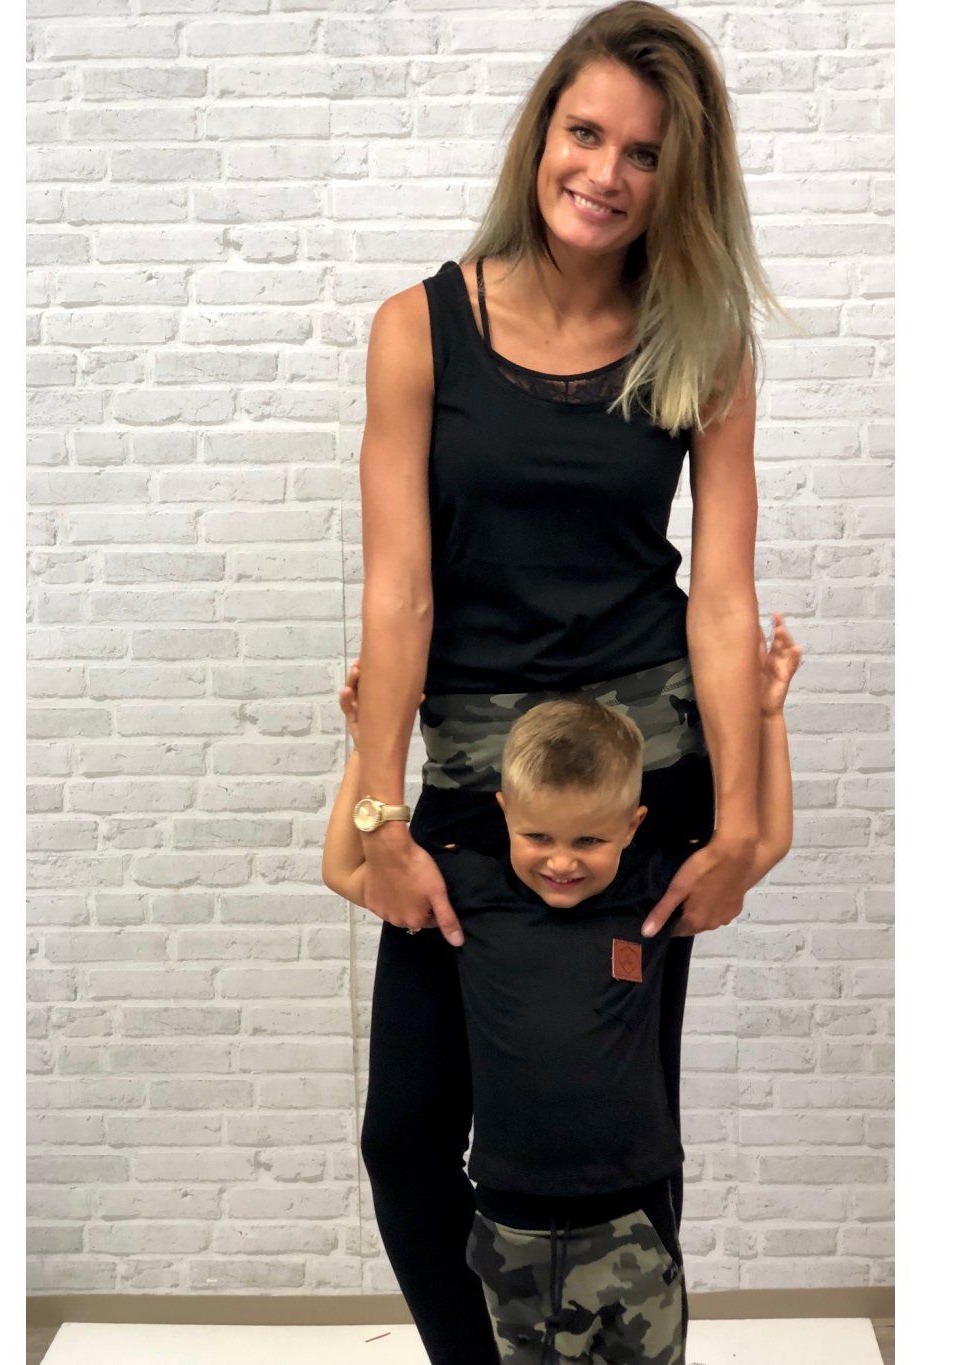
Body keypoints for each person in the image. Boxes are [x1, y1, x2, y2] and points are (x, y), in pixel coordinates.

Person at [350, 4, 788, 1360]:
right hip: (476, 792)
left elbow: (721, 599)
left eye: (644, 153)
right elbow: (398, 595)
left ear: (679, 178)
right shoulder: (418, 329)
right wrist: (374, 813)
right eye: (585, 132)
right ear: (541, 130)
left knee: (620, 1137)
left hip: (646, 794)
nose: (605, 172)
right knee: (405, 1135)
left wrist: (742, 824)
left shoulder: (701, 340)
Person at [323, 617, 801, 1364]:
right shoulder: (468, 893)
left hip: (635, 1212)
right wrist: (365, 750)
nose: (562, 862)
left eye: (589, 841)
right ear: (504, 815)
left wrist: (768, 717)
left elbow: (766, 842)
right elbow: (344, 871)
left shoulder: (650, 896)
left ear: (632, 826)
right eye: (539, 837)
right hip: (513, 1223)